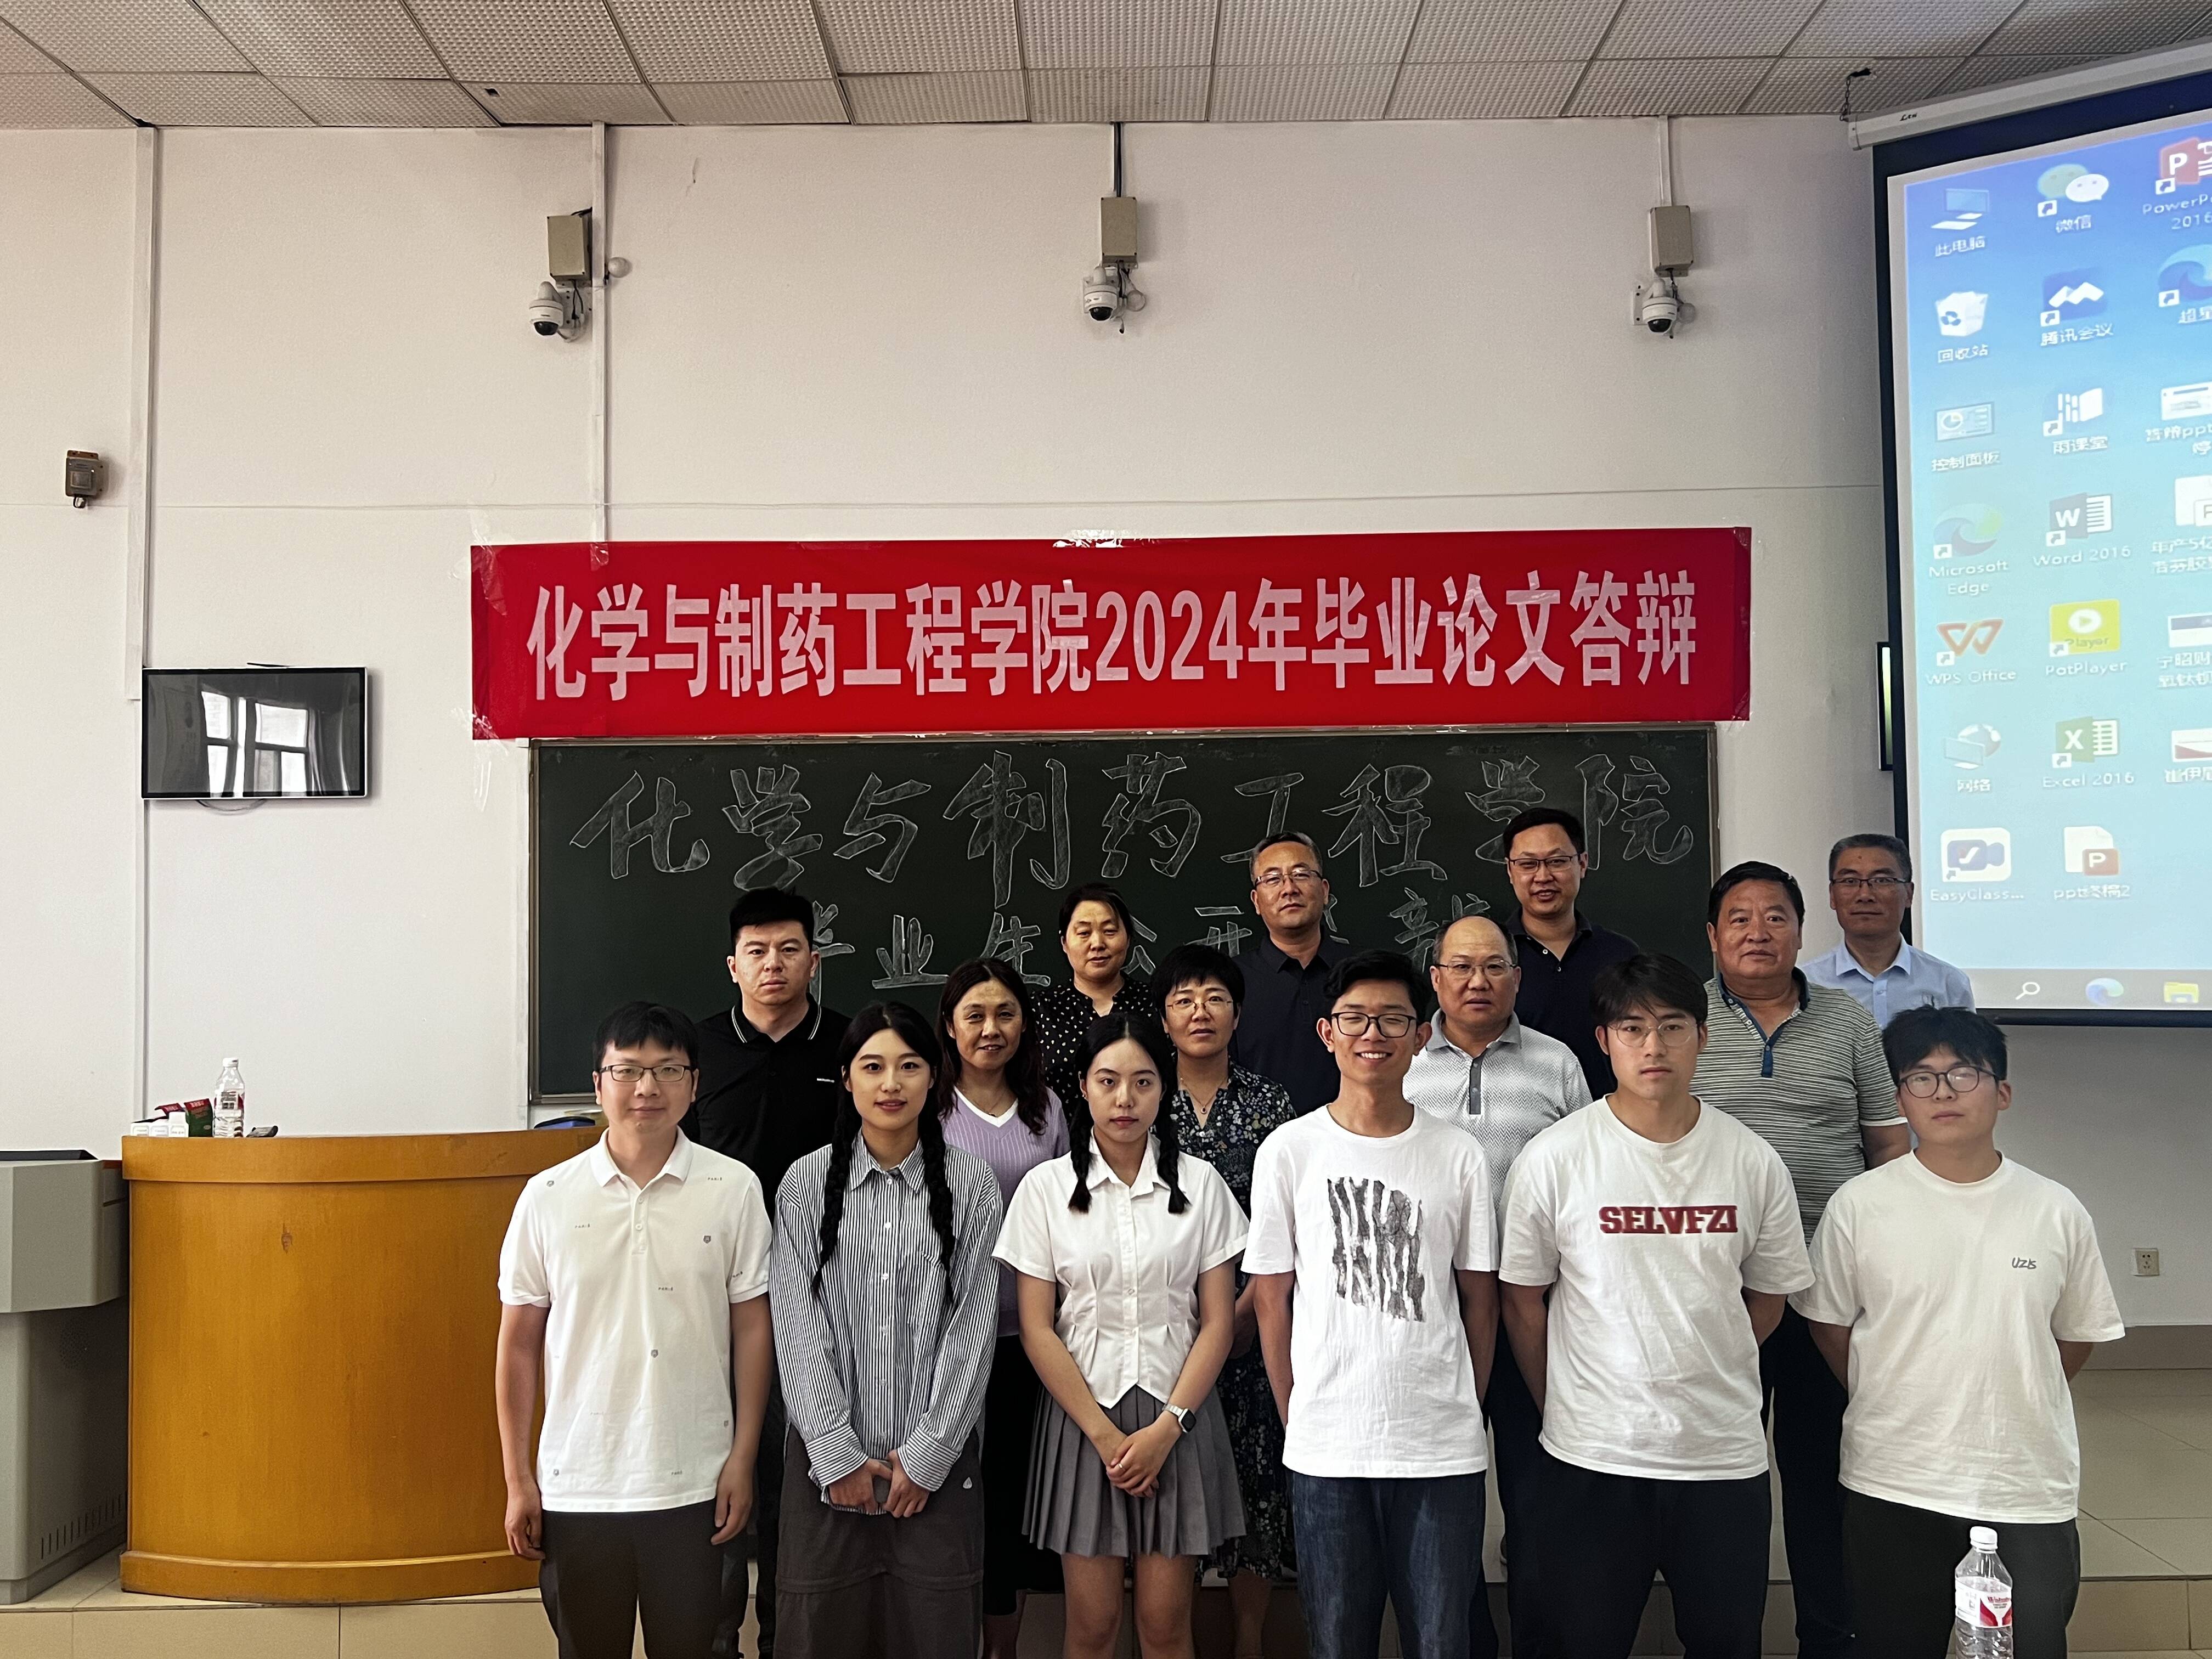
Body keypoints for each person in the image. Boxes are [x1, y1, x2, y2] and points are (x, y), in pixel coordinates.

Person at [1500, 955, 1813, 1659]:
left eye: (1673, 1027)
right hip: (1592, 1456)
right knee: (1586, 1643)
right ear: (1604, 1040)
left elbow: (1769, 1296)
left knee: (1727, 1643)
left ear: (1702, 1037)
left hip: (1720, 1457)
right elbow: (1523, 1301)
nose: (1654, 1046)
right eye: (1632, 1028)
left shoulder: (1752, 1160)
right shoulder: (1555, 1158)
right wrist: (1565, 1403)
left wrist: (1710, 1355)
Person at [1795, 1007, 2124, 1659]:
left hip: (2023, 1484)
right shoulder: (1860, 1205)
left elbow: (2075, 1334)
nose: (1942, 1092)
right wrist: (1893, 1390)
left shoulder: (2055, 1209)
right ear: (1899, 1101)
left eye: (1963, 1074)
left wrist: (2012, 1388)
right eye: (1921, 1077)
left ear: (2003, 1093)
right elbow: (1830, 1325)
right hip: (1894, 1480)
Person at [496, 1001, 776, 1659]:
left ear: (694, 1084)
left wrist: (742, 1459)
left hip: (697, 1482)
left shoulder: (732, 1189)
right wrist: (518, 1480)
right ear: (599, 1085)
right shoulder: (547, 1197)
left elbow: (753, 1332)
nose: (647, 1088)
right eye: (627, 1071)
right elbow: (518, 1346)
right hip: (580, 1484)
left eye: (668, 1070)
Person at [1245, 950, 1500, 1659]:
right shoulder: (1289, 1151)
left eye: (1392, 1019)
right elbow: (1271, 1299)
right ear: (1327, 1032)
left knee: (1442, 1641)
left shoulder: (1458, 1154)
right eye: (1355, 1018)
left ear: (1421, 1036)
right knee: (1336, 1641)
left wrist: (1465, 1403)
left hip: (1439, 1447)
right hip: (1328, 1442)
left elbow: (1480, 1301)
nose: (1372, 1035)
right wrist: (1298, 1412)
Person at [1692, 861, 1906, 1659]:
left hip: (1825, 1285)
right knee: (1726, 1475)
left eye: (1775, 917)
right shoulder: (1681, 1020)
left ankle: (1830, 1634)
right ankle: (1726, 1637)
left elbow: (1887, 1146)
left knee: (1822, 1473)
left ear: (1800, 931)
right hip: (1719, 1288)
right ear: (1713, 936)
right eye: (1740, 919)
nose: (1758, 932)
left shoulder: (1847, 1020)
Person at [997, 1013, 1249, 1659]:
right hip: (1084, 1421)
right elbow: (1037, 1328)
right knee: (1093, 1626)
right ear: (1083, 1087)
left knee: (1166, 1627)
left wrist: (1168, 1429)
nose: (1125, 1099)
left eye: (1143, 1082)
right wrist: (1106, 1437)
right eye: (1108, 1081)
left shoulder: (1202, 1185)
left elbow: (1218, 1322)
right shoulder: (1046, 1189)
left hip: (1177, 1418)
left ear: (1164, 1087)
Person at [767, 1002, 1003, 1659]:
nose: (891, 1084)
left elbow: (973, 1329)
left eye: (909, 1066)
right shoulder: (806, 1184)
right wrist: (833, 1453)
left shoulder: (973, 1184)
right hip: (825, 1476)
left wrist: (928, 1457)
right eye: (872, 1067)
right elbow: (796, 1324)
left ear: (935, 1077)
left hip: (935, 1478)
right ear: (846, 1079)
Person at [1403, 915, 1589, 1656]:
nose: (1476, 982)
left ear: (1517, 976)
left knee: (1538, 1501)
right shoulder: (1401, 1060)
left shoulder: (1557, 1064)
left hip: (1533, 1313)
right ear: (1436, 978)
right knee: (1443, 1506)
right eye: (1460, 967)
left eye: (1493, 967)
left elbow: (1588, 1177)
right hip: (1429, 1318)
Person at [684, 886, 849, 1659]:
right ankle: (718, 1639)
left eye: (788, 949)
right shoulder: (695, 1051)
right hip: (713, 1296)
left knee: (797, 1474)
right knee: (720, 1466)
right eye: (756, 951)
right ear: (733, 966)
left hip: (822, 1293)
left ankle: (790, 1639)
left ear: (814, 959)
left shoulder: (851, 1047)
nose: (772, 964)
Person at [1156, 943, 1302, 1659]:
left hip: (1254, 1324)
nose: (1200, 1012)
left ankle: (1249, 1639)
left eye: (1214, 998)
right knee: (1176, 1490)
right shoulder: (1145, 1103)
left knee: (1257, 1486)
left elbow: (1288, 1220)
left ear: (1237, 1015)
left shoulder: (1271, 1104)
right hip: (1165, 1332)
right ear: (1163, 1018)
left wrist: (1241, 1312)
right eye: (1184, 1000)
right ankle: (1173, 1636)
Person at [931, 961, 1070, 1659]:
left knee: (1011, 1497)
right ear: (950, 1027)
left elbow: (1073, 1216)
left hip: (1029, 1339)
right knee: (948, 1495)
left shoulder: (1047, 1109)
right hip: (943, 1339)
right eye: (975, 1016)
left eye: (1006, 1014)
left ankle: (1003, 1647)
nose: (991, 1029)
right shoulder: (928, 1106)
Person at [1498, 808, 1640, 1099]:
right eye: (1528, 864)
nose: (1543, 876)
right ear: (1510, 871)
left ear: (1582, 864)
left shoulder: (1621, 955)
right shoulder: (1491, 960)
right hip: (1518, 1113)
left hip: (1608, 1117)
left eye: (1557, 861)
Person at [1232, 833, 1352, 1113]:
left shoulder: (1367, 974)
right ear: (1256, 901)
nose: (1289, 889)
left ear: (1324, 891)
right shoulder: (1230, 981)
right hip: (1261, 1135)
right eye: (1273, 879)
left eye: (1301, 874)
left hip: (1356, 1133)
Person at [1802, 834, 1974, 1028]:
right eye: (1850, 881)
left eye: (1882, 880)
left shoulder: (1948, 983)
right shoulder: (1807, 983)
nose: (1865, 895)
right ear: (1832, 895)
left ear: (1909, 894)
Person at [1035, 882, 1154, 1106]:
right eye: (1084, 933)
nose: (1097, 944)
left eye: (1109, 931)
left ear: (1128, 938)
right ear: (1064, 942)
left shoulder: (1155, 1003)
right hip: (1058, 1130)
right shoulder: (1039, 1009)